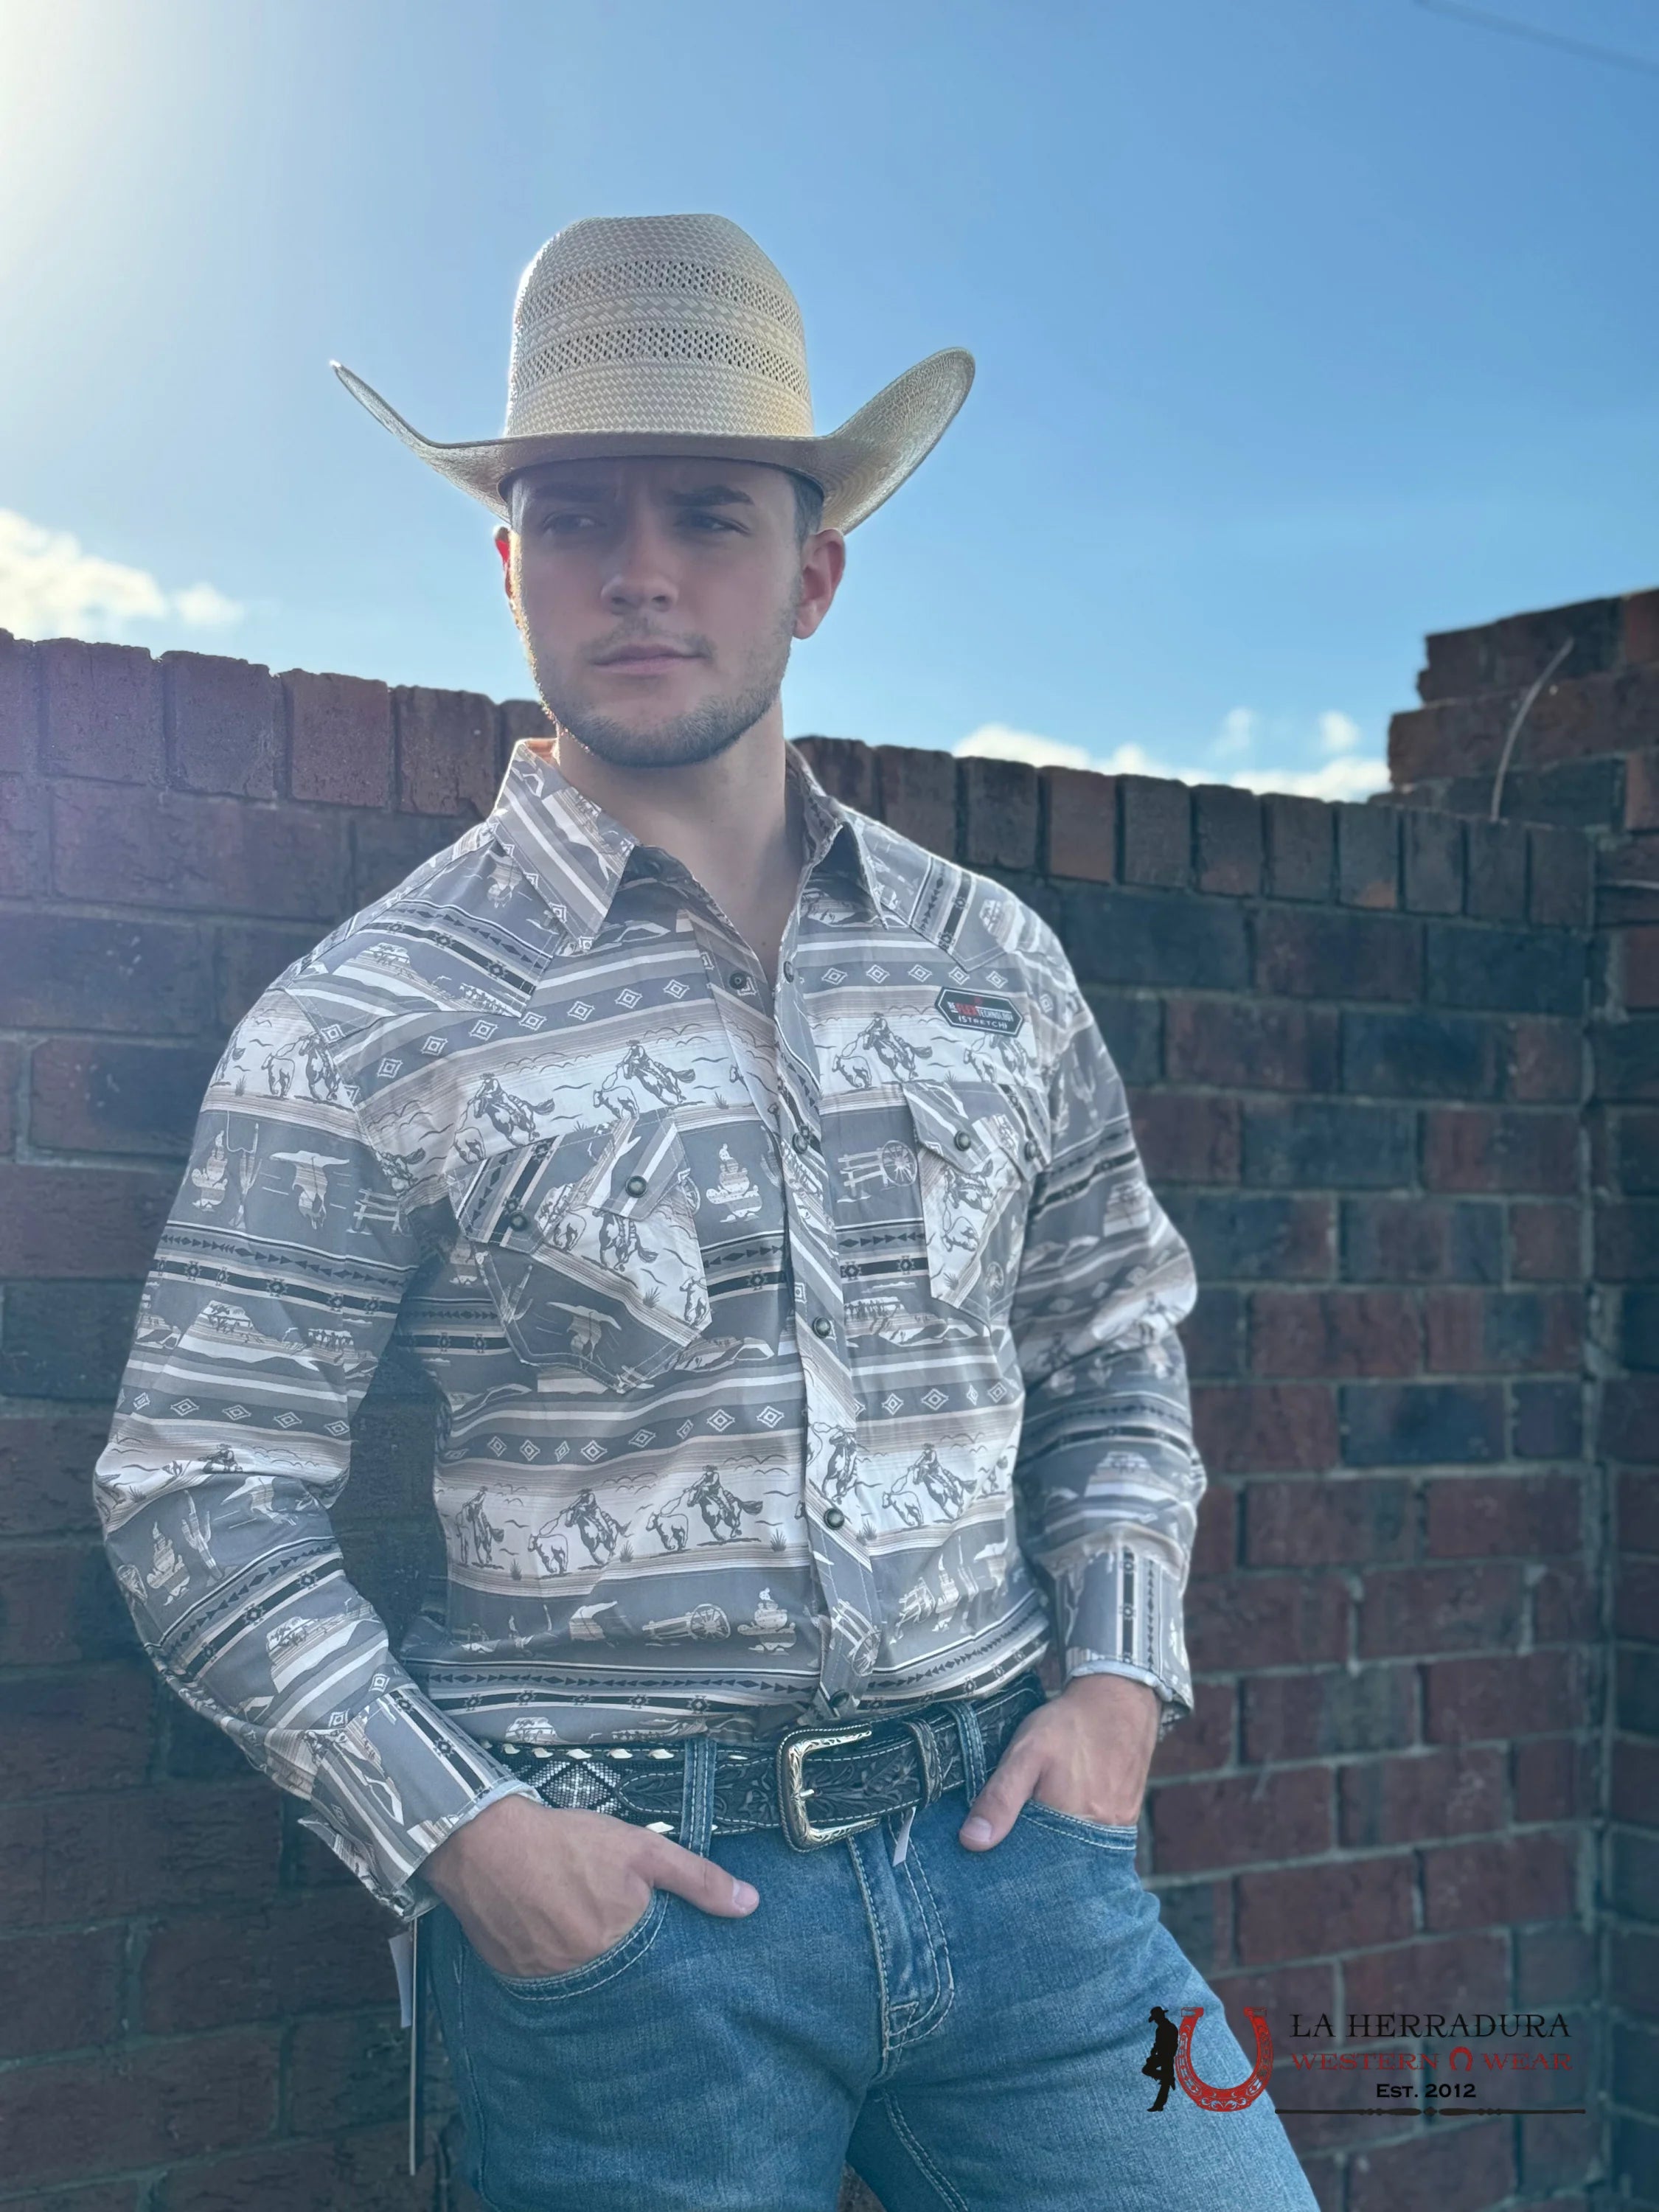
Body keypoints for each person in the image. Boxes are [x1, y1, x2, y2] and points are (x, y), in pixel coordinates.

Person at [95, 215, 1315, 2212]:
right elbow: (197, 1489)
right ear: (509, 569)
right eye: (575, 517)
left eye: (710, 515)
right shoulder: (370, 1014)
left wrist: (1112, 1694)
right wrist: (472, 1844)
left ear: (814, 573)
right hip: (627, 1939)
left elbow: (1111, 1346)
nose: (640, 569)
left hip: (1032, 1881)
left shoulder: (987, 960)